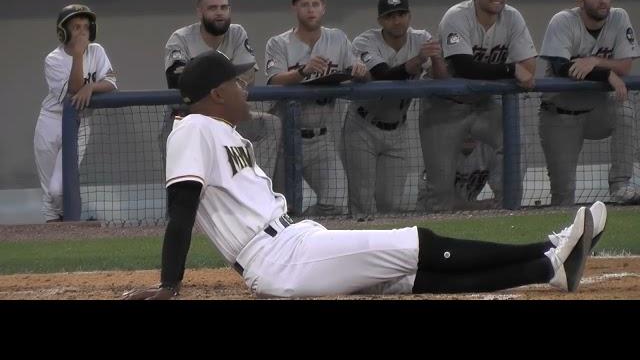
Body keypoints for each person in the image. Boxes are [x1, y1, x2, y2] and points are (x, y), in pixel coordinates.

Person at [122, 51, 606, 299]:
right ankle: (548, 246)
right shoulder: (192, 130)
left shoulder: (218, 129)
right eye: (236, 81)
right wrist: (170, 284)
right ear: (214, 93)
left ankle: (548, 269)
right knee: (418, 241)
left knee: (415, 276)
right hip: (277, 256)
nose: (245, 87)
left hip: (292, 244)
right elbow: (181, 212)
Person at [419, 0, 537, 212]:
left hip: (484, 105)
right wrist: (509, 70)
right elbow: (464, 67)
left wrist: (515, 68)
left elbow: (529, 66)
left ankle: (508, 211)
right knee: (440, 189)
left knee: (516, 144)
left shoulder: (512, 17)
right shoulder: (457, 16)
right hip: (445, 107)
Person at [264, 0, 368, 216]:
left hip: (321, 139)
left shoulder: (338, 39)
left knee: (338, 203)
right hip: (285, 139)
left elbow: (359, 69)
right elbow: (274, 80)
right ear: (294, 8)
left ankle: (307, 229)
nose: (310, 9)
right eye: (304, 4)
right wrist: (303, 71)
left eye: (315, 4)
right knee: (282, 211)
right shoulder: (279, 43)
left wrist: (361, 71)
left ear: (324, 8)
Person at [344, 0, 447, 221]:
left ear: (409, 16)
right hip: (362, 126)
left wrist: (437, 58)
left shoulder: (421, 38)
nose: (397, 20)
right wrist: (420, 59)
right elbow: (384, 76)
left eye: (401, 14)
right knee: (362, 202)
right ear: (380, 20)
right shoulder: (365, 41)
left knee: (390, 202)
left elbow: (441, 79)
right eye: (390, 16)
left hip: (398, 129)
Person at [539, 0, 639, 205]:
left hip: (598, 110)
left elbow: (625, 65)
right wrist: (606, 74)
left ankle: (620, 185)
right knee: (563, 194)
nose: (602, 0)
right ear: (580, 1)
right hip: (560, 113)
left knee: (625, 111)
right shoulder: (562, 20)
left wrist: (595, 62)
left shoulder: (619, 17)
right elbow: (562, 67)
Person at [161, 0, 281, 179]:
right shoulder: (181, 38)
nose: (219, 12)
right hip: (187, 120)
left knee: (270, 125)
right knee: (189, 189)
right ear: (200, 12)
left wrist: (220, 89)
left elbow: (249, 71)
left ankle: (254, 188)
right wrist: (228, 88)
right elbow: (177, 79)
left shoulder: (237, 33)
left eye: (224, 7)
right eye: (213, 8)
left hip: (226, 118)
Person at [33, 4, 117, 222]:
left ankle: (73, 222)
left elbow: (110, 82)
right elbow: (73, 90)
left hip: (81, 123)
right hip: (50, 121)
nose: (82, 32)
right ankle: (59, 236)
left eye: (86, 27)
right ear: (63, 32)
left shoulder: (97, 51)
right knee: (48, 193)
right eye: (76, 27)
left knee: (57, 189)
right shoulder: (53, 59)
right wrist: (79, 56)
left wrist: (92, 87)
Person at [418, 136, 502, 211]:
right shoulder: (439, 152)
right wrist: (481, 206)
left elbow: (502, 193)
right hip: (430, 215)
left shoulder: (488, 150)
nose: (469, 134)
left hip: (468, 214)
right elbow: (441, 202)